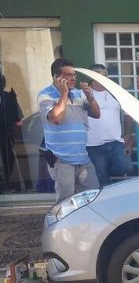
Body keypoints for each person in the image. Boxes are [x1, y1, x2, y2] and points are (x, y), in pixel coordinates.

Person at [38, 58, 101, 202]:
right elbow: (56, 118)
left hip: (83, 158)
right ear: (56, 77)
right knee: (65, 203)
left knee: (93, 198)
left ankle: (87, 225)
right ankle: (64, 226)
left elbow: (97, 114)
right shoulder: (45, 95)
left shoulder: (79, 93)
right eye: (68, 75)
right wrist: (64, 93)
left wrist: (90, 96)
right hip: (61, 160)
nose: (72, 78)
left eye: (74, 75)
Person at [85, 64, 131, 186]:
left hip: (115, 142)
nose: (102, 79)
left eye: (104, 76)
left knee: (126, 167)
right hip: (93, 144)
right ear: (91, 78)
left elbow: (128, 114)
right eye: (98, 76)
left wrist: (127, 134)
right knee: (102, 178)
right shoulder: (84, 94)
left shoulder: (116, 93)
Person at [0, 75, 24, 191]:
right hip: (7, 137)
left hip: (6, 137)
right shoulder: (9, 97)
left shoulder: (10, 97)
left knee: (8, 160)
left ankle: (7, 184)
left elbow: (19, 121)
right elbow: (19, 121)